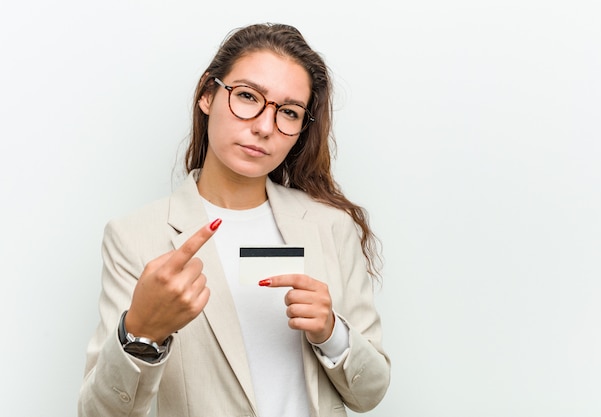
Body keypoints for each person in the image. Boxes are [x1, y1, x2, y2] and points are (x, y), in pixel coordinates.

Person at [78, 22, 390, 417]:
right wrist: (141, 331)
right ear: (208, 94)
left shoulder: (331, 226)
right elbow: (99, 412)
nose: (263, 126)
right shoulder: (135, 237)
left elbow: (371, 393)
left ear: (300, 130)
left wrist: (332, 333)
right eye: (247, 96)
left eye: (289, 113)